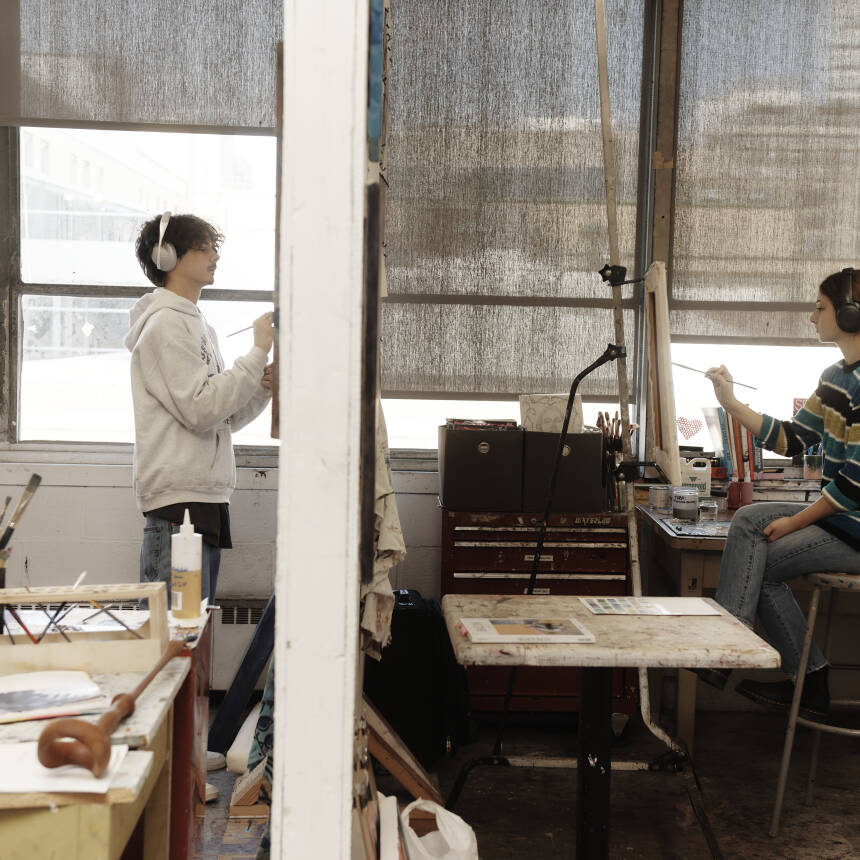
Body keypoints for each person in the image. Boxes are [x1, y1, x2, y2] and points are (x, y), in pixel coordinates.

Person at [694, 268, 860, 719]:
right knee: (752, 539)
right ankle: (808, 679)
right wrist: (730, 402)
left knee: (755, 544)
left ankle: (741, 653)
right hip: (845, 522)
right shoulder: (836, 376)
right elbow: (791, 439)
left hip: (855, 526)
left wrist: (794, 522)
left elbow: (853, 486)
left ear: (850, 314)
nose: (812, 317)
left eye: (820, 308)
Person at [125, 212, 274, 607]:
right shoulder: (164, 327)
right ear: (167, 256)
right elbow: (200, 408)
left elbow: (223, 417)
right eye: (203, 247)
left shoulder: (197, 327)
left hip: (202, 502)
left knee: (191, 639)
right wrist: (256, 353)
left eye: (215, 248)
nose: (214, 256)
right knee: (173, 641)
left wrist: (259, 386)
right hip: (178, 508)